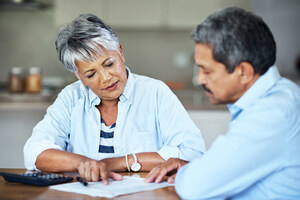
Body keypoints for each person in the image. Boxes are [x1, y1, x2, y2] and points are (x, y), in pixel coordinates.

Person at [23, 13, 205, 184]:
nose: (106, 78)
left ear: (120, 52)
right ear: (78, 76)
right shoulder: (71, 98)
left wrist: (120, 162)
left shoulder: (155, 92)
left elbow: (193, 153)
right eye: (91, 74)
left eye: (109, 64)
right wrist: (83, 163)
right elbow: (35, 152)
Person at [145, 7, 300, 199]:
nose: (200, 79)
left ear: (243, 72)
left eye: (206, 71)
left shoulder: (272, 114)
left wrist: (191, 172)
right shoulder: (284, 92)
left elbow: (196, 187)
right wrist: (196, 169)